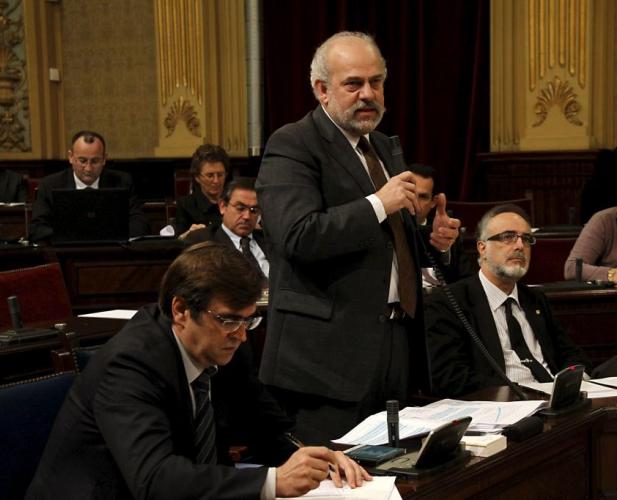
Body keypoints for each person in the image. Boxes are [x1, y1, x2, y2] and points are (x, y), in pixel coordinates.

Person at [27, 242, 368, 499]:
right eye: (229, 320)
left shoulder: (225, 344)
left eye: (248, 320)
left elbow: (267, 425)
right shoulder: (131, 364)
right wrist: (272, 482)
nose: (241, 335)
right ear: (180, 310)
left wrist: (317, 458)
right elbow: (154, 478)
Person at [255, 31, 461, 444]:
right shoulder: (292, 143)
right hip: (325, 360)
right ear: (322, 90)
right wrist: (378, 203)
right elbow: (297, 235)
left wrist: (433, 243)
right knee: (335, 472)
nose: (368, 94)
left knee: (393, 469)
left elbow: (387, 242)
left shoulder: (382, 146)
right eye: (353, 84)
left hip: (394, 341)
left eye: (376, 82)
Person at [426, 204, 617, 397]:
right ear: (482, 248)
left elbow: (571, 353)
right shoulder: (451, 302)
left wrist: (569, 383)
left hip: (555, 400)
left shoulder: (534, 298)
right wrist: (523, 393)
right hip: (508, 404)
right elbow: (450, 377)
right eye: (508, 237)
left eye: (526, 239)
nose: (519, 246)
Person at [28, 130, 148, 242]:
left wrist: (99, 235)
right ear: (71, 157)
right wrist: (77, 236)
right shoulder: (50, 185)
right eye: (82, 161)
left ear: (104, 159)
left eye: (95, 161)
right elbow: (37, 229)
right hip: (66, 253)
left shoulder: (122, 182)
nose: (88, 168)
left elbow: (140, 225)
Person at [186, 178, 270, 280]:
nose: (247, 216)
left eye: (254, 210)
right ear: (223, 206)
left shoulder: (269, 240)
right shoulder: (203, 241)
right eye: (240, 208)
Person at [410, 163, 475, 287]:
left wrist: (444, 249)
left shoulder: (446, 233)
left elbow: (466, 281)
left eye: (423, 197)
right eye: (411, 194)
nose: (415, 202)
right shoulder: (385, 230)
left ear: (433, 202)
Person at [176, 143, 230, 238]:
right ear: (197, 177)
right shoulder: (186, 205)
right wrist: (189, 234)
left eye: (220, 175)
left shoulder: (233, 202)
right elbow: (179, 240)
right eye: (210, 175)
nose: (216, 181)